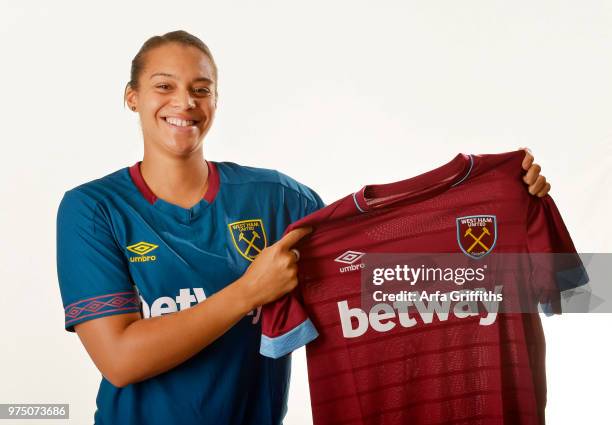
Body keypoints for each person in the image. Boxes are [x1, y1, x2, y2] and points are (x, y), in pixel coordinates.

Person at [55, 30, 552, 425]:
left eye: (200, 89)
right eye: (164, 86)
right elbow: (120, 359)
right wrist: (250, 291)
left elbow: (380, 277)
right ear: (132, 97)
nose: (184, 102)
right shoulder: (92, 209)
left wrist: (497, 208)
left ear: (215, 100)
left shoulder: (279, 199)